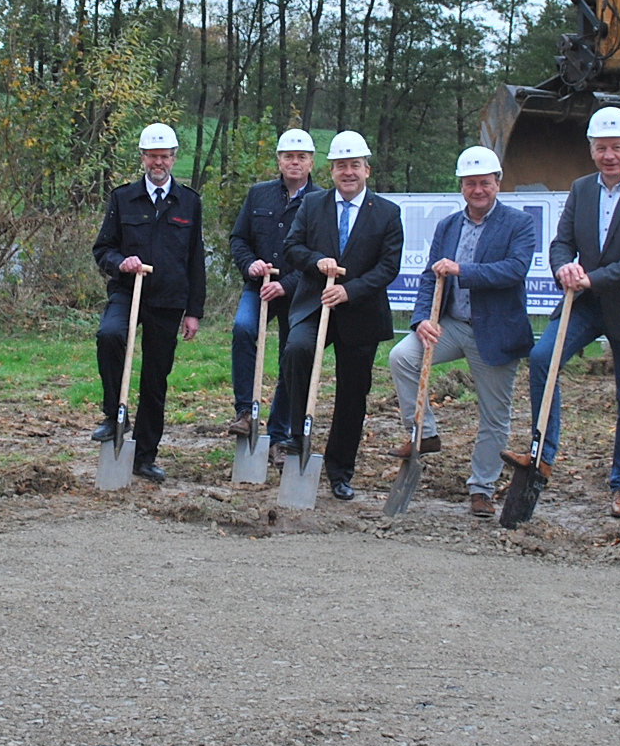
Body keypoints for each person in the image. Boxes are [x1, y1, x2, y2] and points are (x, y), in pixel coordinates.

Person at [507, 107, 620, 519]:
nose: (608, 156)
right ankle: (542, 455)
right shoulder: (581, 190)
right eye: (601, 148)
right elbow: (561, 242)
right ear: (592, 150)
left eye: (616, 147)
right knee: (543, 359)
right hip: (583, 303)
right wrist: (564, 266)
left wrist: (592, 278)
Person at [386, 145, 536, 518]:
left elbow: (515, 269)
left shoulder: (519, 223)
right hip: (451, 325)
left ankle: (482, 488)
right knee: (402, 357)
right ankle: (424, 434)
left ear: (498, 183)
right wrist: (422, 319)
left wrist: (462, 270)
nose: (478, 190)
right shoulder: (448, 226)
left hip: (496, 332)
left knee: (494, 415)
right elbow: (429, 277)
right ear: (461, 186)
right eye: (470, 183)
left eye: (484, 183)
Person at [279, 130, 404, 502]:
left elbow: (388, 267)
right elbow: (292, 247)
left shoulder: (387, 213)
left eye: (355, 166)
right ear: (331, 170)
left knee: (353, 392)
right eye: (341, 166)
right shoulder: (312, 204)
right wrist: (317, 261)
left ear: (367, 170)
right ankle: (299, 434)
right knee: (296, 351)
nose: (348, 172)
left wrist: (350, 291)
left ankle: (340, 469)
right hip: (315, 304)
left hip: (361, 312)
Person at [89, 123, 205, 484]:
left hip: (168, 299)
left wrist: (194, 311)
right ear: (142, 157)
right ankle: (114, 414)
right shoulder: (123, 198)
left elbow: (195, 259)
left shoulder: (189, 202)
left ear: (174, 158)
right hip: (127, 291)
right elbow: (103, 248)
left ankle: (144, 456)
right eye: (152, 156)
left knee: (155, 380)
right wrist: (120, 262)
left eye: (164, 157)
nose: (159, 163)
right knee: (110, 336)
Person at [226, 128, 321, 453]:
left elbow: (320, 253)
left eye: (301, 157)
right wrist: (249, 264)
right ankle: (245, 412)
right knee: (243, 329)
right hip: (259, 287)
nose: (295, 162)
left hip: (299, 293)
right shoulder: (259, 194)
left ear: (311, 162)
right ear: (279, 161)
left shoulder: (320, 201)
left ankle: (279, 434)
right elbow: (239, 238)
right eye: (288, 157)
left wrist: (286, 284)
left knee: (289, 359)